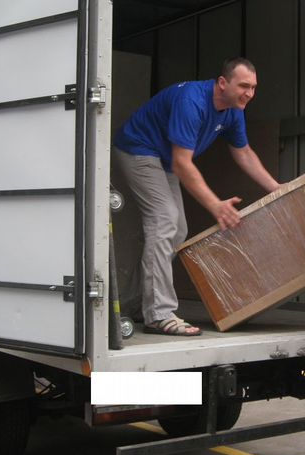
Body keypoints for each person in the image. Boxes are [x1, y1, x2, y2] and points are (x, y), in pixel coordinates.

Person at [113, 57, 280, 336]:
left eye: (253, 87)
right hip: (138, 149)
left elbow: (244, 153)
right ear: (223, 82)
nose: (249, 94)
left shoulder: (232, 109)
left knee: (177, 230)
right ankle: (158, 314)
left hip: (164, 160)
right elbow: (182, 163)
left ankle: (139, 304)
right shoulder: (192, 101)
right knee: (164, 220)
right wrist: (215, 205)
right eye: (244, 86)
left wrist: (276, 188)